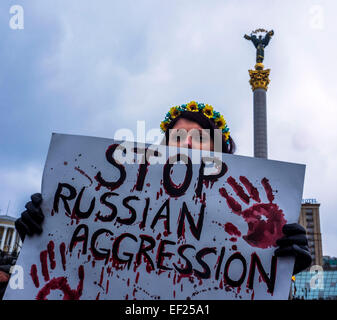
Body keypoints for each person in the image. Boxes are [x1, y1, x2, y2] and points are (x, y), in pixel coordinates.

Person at [7, 101, 311, 299]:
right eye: (177, 137)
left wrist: (283, 272)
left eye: (201, 136)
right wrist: (44, 235)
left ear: (223, 152)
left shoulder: (250, 224)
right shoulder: (117, 204)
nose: (188, 143)